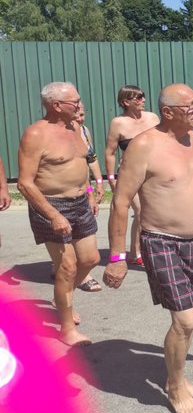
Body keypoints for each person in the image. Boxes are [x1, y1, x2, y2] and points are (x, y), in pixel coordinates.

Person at [103, 84, 193, 413]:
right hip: (163, 243)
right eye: (190, 107)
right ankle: (173, 387)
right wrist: (117, 258)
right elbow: (121, 202)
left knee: (190, 316)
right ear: (168, 112)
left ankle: (179, 377)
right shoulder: (143, 146)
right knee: (184, 319)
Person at [17, 82, 100, 347]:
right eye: (74, 101)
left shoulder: (77, 128)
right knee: (67, 267)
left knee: (91, 259)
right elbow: (25, 183)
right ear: (56, 105)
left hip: (80, 203)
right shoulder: (36, 134)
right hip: (51, 205)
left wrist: (90, 192)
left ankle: (62, 297)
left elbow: (82, 165)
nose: (79, 105)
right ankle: (67, 329)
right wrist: (53, 215)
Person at [105, 85, 160, 265]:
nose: (143, 100)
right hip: (129, 174)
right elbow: (110, 152)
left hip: (153, 172)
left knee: (149, 211)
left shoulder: (152, 118)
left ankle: (136, 251)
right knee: (140, 210)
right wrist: (110, 178)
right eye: (138, 97)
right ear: (126, 102)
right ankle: (135, 251)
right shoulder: (118, 123)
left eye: (143, 96)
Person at [73, 108, 104, 292]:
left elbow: (91, 158)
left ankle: (80, 271)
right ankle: (71, 270)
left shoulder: (84, 131)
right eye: (76, 114)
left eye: (82, 115)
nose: (80, 118)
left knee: (83, 229)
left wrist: (98, 183)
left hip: (84, 186)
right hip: (62, 191)